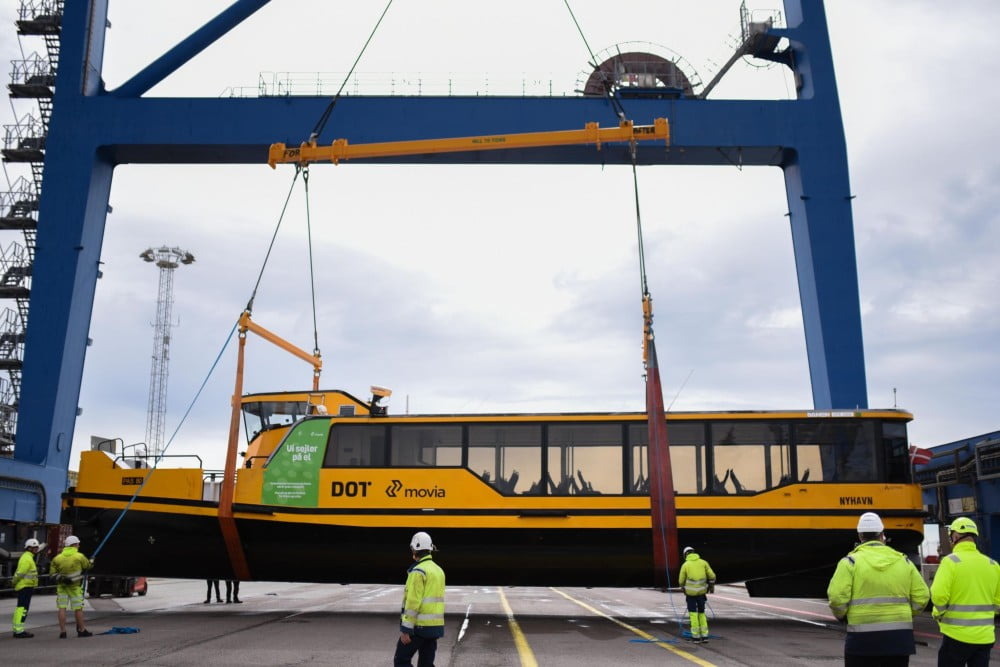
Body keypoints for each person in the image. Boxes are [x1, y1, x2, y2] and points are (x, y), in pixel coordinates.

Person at [827, 512, 929, 666]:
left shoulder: (850, 562)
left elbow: (836, 597)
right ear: (882, 535)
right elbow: (922, 596)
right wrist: (906, 614)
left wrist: (843, 616)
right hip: (899, 640)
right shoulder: (904, 561)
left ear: (860, 536)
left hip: (862, 641)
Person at [931, 516, 1000, 667]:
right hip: (984, 638)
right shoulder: (993, 565)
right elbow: (998, 602)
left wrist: (939, 613)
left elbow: (938, 595)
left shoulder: (950, 562)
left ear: (955, 537)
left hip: (956, 636)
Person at [394, 531, 445, 667]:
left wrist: (406, 630)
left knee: (401, 660)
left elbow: (412, 603)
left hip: (418, 628)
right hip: (434, 628)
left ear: (415, 549)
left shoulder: (418, 571)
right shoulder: (439, 571)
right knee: (426, 664)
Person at [50, 535, 94, 638]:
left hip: (61, 587)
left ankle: (63, 632)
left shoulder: (57, 558)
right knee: (78, 608)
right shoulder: (79, 556)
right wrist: (91, 561)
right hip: (75, 587)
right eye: (78, 544)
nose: (79, 546)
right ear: (74, 545)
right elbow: (87, 566)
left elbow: (52, 574)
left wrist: (62, 578)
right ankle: (82, 630)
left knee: (62, 608)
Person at [678, 545, 716, 643]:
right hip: (701, 594)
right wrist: (711, 586)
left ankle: (695, 637)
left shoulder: (685, 565)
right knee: (702, 613)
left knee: (693, 614)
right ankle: (705, 636)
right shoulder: (703, 563)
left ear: (685, 554)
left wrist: (683, 588)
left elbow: (681, 581)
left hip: (690, 595)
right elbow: (712, 576)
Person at [12, 537, 40, 638]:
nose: (37, 549)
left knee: (21, 608)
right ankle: (19, 631)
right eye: (34, 547)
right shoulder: (27, 558)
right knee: (23, 609)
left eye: (37, 547)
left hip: (26, 586)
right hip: (25, 587)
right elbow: (20, 573)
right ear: (29, 548)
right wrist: (14, 582)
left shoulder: (27, 557)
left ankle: (17, 629)